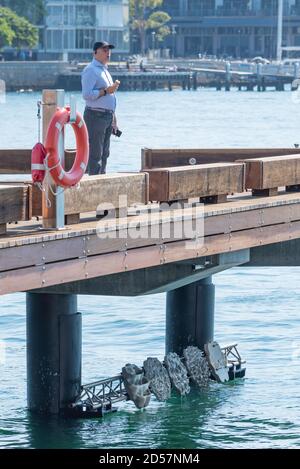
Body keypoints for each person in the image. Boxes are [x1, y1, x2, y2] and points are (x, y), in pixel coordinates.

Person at [82, 41, 120, 175]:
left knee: (105, 153)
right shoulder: (90, 70)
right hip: (95, 116)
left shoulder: (104, 70)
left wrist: (113, 117)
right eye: (104, 50)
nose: (108, 52)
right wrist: (105, 91)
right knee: (95, 154)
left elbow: (110, 95)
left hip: (107, 116)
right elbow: (86, 95)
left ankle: (101, 180)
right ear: (95, 52)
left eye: (109, 50)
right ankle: (94, 182)